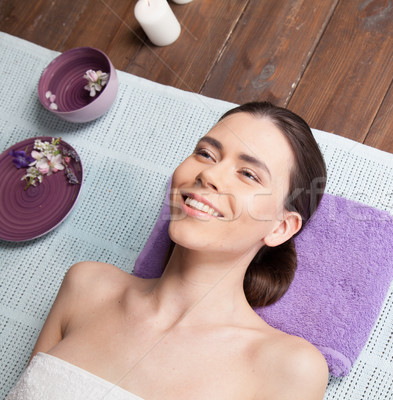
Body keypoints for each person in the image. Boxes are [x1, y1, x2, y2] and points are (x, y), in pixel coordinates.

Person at [8, 102, 329, 399]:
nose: (209, 174)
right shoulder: (87, 286)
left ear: (279, 228)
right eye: (205, 153)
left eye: (248, 174)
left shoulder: (291, 368)